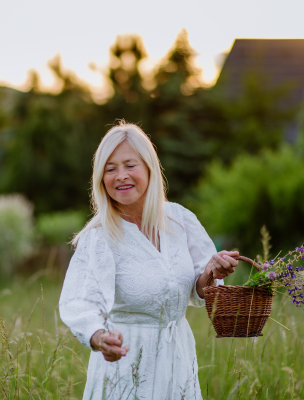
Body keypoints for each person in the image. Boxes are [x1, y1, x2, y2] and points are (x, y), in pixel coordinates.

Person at [59, 121, 239, 399]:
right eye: (110, 168)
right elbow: (80, 302)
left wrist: (210, 272)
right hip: (125, 363)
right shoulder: (99, 237)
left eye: (130, 165)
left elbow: (198, 290)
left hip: (176, 359)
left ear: (149, 168)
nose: (121, 176)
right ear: (100, 178)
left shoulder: (179, 220)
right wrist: (99, 338)